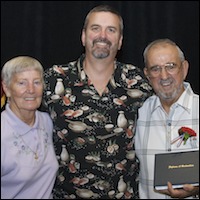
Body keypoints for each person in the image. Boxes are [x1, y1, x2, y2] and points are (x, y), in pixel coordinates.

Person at [42, 4, 152, 199]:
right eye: (96, 28)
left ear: (120, 41)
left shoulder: (138, 83)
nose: (103, 35)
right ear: (83, 36)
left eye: (111, 30)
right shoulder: (53, 79)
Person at [135, 38, 199, 199]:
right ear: (147, 75)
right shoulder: (138, 112)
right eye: (155, 69)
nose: (164, 76)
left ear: (184, 68)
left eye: (171, 66)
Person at [1, 56, 59, 199]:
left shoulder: (46, 122)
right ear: (7, 88)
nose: (31, 90)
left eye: (37, 82)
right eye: (22, 83)